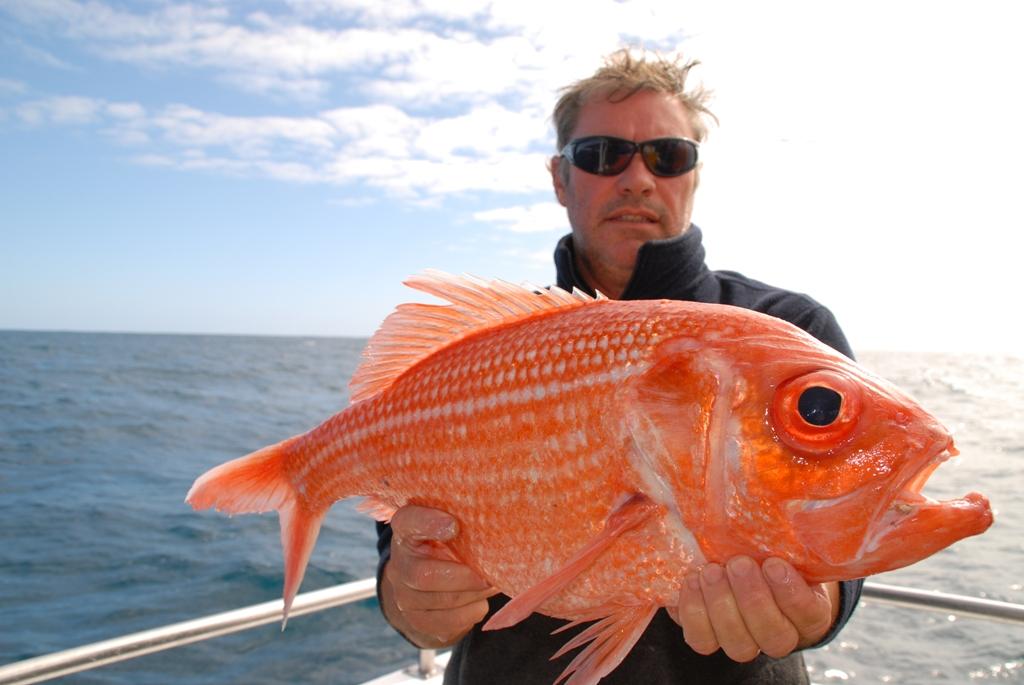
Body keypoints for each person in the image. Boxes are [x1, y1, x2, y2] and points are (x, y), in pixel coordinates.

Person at [376, 49, 863, 684]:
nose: (637, 179)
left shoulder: (788, 336)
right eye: (603, 155)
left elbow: (848, 524)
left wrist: (819, 605)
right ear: (560, 178)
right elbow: (401, 559)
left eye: (668, 156)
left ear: (694, 176)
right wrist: (412, 601)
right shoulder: (482, 359)